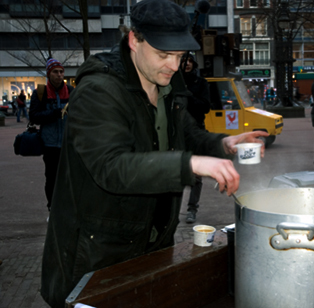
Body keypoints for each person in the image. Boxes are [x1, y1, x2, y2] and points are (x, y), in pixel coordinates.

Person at [40, 1, 268, 307]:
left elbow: (186, 133)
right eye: (163, 54)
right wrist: (190, 164)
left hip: (153, 240)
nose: (174, 66)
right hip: (99, 249)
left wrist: (225, 145)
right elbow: (112, 166)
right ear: (135, 40)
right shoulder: (99, 91)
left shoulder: (167, 83)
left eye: (179, 56)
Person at [29, 58, 73, 211]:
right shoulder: (40, 92)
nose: (59, 75)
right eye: (55, 72)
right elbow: (34, 116)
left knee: (69, 178)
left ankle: (67, 208)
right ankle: (53, 208)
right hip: (50, 144)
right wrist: (53, 114)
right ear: (49, 74)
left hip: (68, 143)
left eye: (61, 72)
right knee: (52, 178)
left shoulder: (71, 91)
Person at [180, 52, 211, 223]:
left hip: (196, 130)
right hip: (176, 131)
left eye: (191, 61)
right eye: (185, 61)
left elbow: (206, 107)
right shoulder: (172, 82)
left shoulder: (201, 83)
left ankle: (192, 209)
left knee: (196, 174)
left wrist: (188, 96)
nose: (188, 64)